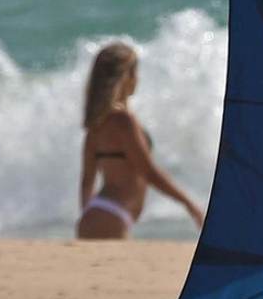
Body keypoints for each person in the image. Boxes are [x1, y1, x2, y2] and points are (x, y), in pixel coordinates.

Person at [77, 41, 205, 241]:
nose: (138, 78)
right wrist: (189, 204)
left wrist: (89, 217)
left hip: (98, 214)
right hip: (112, 215)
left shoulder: (97, 123)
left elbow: (87, 182)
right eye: (135, 71)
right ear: (125, 77)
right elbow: (148, 171)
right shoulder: (123, 121)